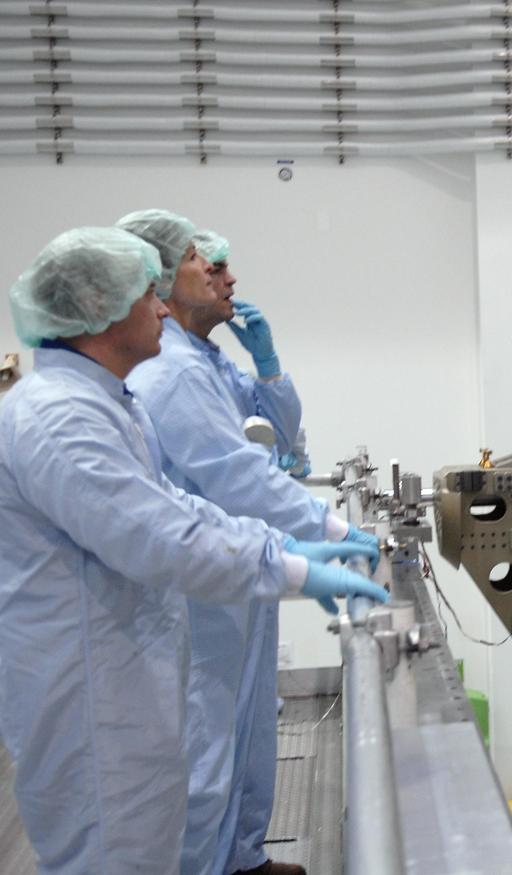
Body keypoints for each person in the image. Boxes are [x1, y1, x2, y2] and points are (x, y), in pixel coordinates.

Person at [0, 227, 387, 875]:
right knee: (119, 851)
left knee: (166, 824)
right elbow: (161, 535)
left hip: (127, 674)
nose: (159, 309)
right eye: (142, 295)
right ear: (96, 310)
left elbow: (179, 505)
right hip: (92, 698)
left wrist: (281, 542)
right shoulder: (60, 418)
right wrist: (290, 562)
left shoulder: (104, 402)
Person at [125, 214, 376, 875]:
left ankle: (240, 856)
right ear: (159, 281)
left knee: (248, 723)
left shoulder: (205, 360)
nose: (230, 277)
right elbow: (237, 470)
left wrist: (266, 360)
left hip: (235, 567)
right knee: (206, 746)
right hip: (199, 586)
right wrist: (333, 529)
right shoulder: (173, 372)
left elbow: (280, 434)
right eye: (210, 268)